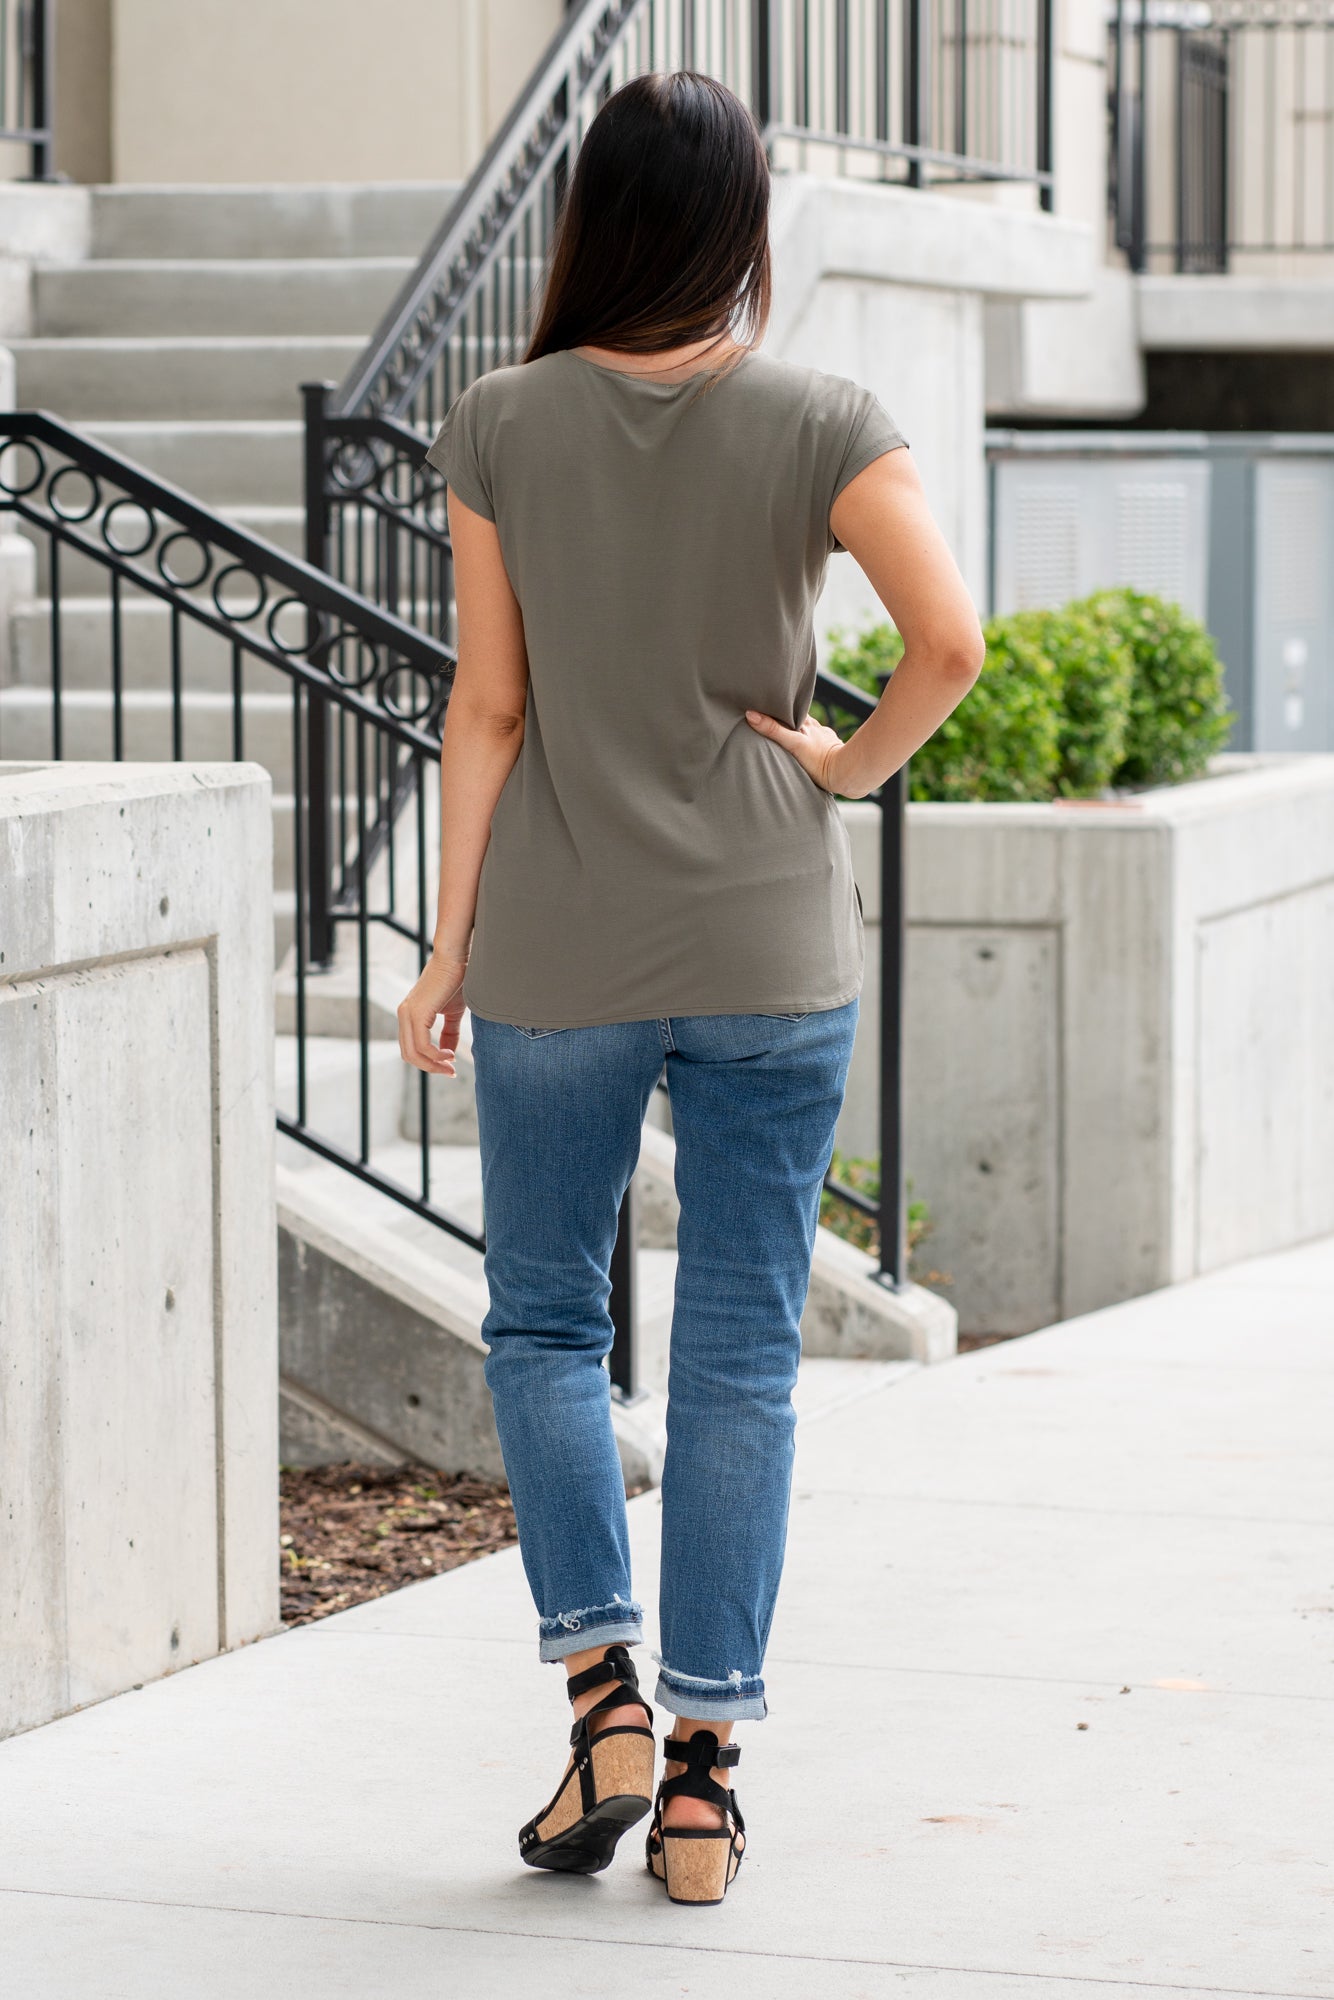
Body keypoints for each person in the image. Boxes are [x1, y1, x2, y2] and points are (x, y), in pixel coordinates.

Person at [398, 69, 984, 1907]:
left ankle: (604, 1703)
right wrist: (845, 767)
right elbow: (948, 642)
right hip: (766, 947)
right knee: (739, 1357)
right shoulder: (822, 418)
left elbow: (489, 705)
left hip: (560, 946)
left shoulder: (500, 421)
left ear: (593, 217)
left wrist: (447, 945)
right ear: (738, 225)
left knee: (543, 1330)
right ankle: (708, 1788)